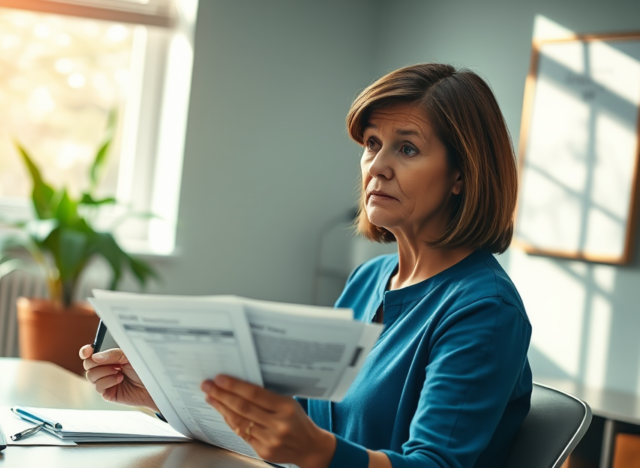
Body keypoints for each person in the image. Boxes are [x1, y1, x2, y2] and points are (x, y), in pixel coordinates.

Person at [79, 63, 532, 468]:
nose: (377, 166)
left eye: (407, 149)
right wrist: (162, 394)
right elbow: (306, 420)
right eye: (373, 144)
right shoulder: (369, 279)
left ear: (461, 175)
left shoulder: (485, 309)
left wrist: (319, 452)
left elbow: (432, 464)